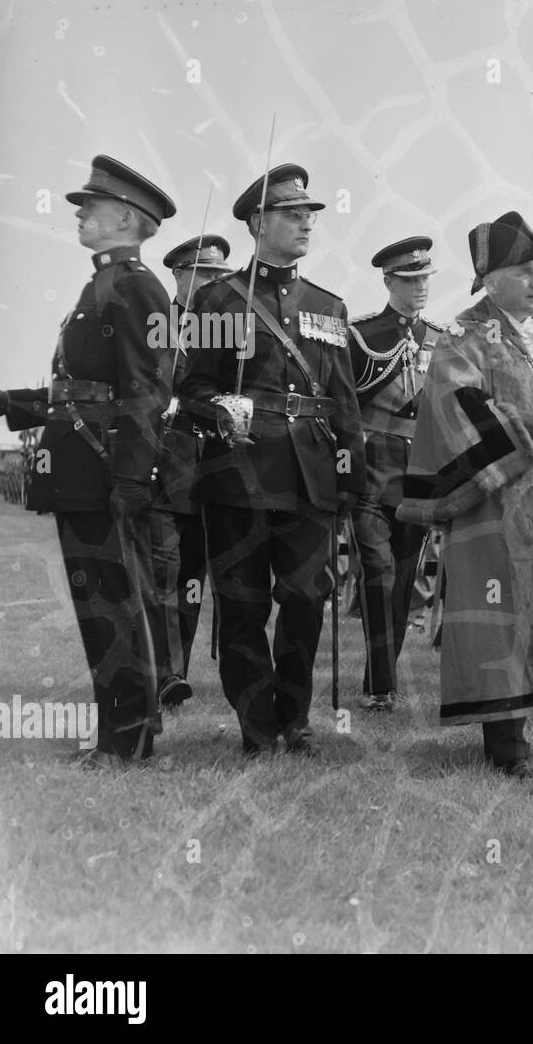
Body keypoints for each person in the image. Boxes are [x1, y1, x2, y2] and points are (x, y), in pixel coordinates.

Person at [397, 211, 533, 778]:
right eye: (524, 271)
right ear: (490, 280)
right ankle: (506, 742)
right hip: (501, 503)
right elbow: (453, 410)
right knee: (505, 614)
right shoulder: (464, 335)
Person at [0, 155, 176, 766]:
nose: (79, 212)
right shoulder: (100, 285)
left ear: (126, 216)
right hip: (83, 468)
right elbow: (81, 389)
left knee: (112, 603)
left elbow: (150, 390)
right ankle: (125, 730)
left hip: (105, 472)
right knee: (99, 603)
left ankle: (126, 740)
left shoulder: (139, 287)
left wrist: (132, 476)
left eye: (89, 205)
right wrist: (9, 403)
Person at [181, 163, 365, 756]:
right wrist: (219, 408)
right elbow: (188, 387)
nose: (306, 223)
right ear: (259, 222)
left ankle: (293, 715)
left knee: (307, 598)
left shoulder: (328, 305)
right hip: (237, 473)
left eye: (309, 214)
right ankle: (257, 726)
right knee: (242, 605)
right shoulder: (216, 298)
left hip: (310, 475)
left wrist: (352, 476)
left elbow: (343, 402)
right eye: (293, 214)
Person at [347, 237, 442, 712]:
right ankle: (381, 683)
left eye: (425, 277)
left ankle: (380, 679)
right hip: (370, 469)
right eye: (410, 279)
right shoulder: (362, 335)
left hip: (417, 473)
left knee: (405, 577)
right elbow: (344, 408)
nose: (420, 286)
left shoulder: (442, 340)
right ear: (389, 281)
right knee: (378, 572)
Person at [150, 233, 234, 708]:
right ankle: (167, 672)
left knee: (193, 577)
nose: (213, 285)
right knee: (165, 569)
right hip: (163, 467)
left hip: (211, 472)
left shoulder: (227, 331)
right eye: (204, 275)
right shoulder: (153, 324)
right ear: (180, 276)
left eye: (220, 277)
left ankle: (174, 669)